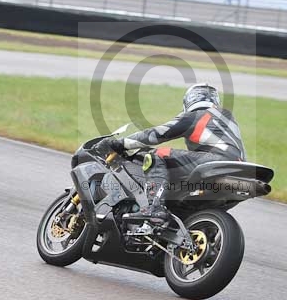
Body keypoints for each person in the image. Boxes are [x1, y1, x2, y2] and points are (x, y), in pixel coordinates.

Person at [97, 83, 246, 224]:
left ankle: (154, 208)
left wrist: (119, 143)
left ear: (190, 100)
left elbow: (156, 134)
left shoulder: (195, 116)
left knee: (158, 155)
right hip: (240, 171)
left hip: (216, 162)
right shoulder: (227, 118)